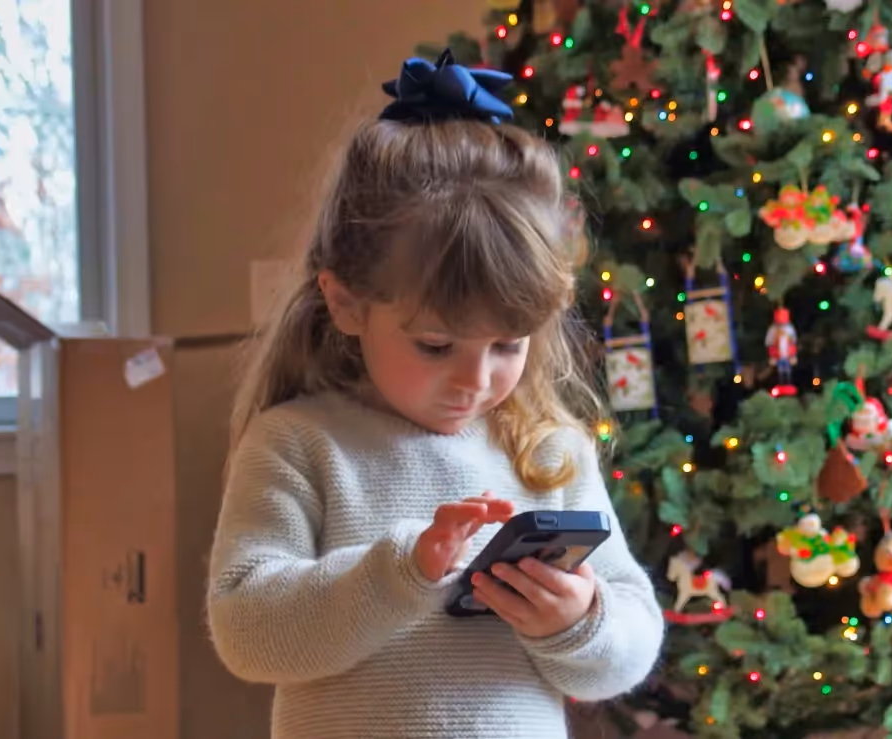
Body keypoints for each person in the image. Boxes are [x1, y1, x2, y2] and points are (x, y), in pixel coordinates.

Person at [206, 50, 665, 739]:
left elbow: (632, 633)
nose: (476, 380)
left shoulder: (548, 450)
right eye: (435, 345)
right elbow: (245, 630)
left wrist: (580, 619)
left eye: (509, 345)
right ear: (347, 303)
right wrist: (399, 571)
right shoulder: (299, 444)